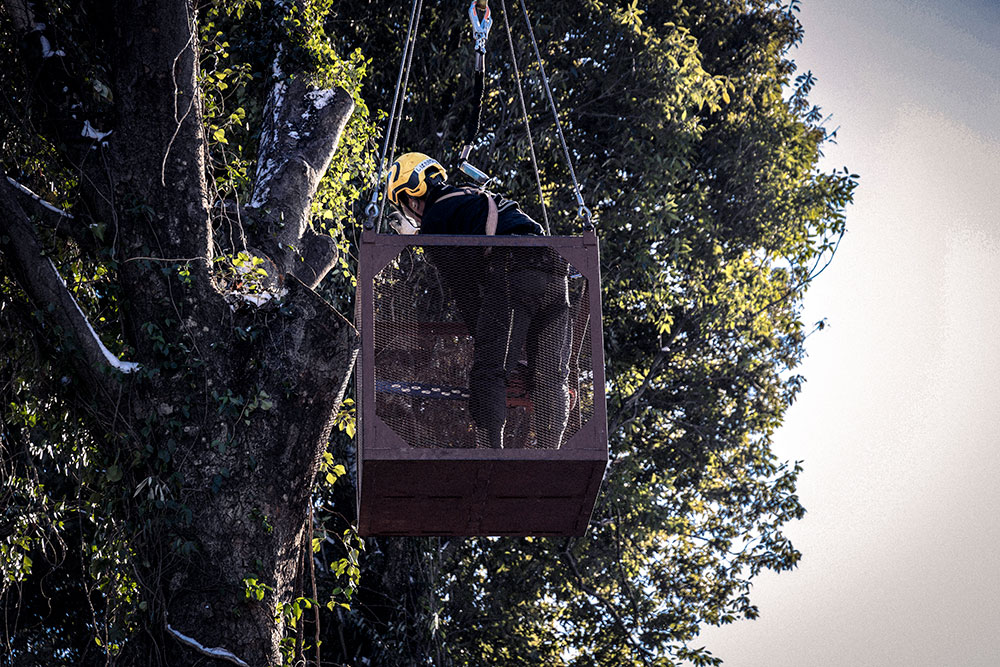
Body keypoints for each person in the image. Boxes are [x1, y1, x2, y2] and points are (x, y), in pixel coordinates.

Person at [386, 152, 571, 449]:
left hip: (514, 268)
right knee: (551, 374)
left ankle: (490, 455)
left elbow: (462, 286)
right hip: (555, 269)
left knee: (490, 371)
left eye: (407, 206)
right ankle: (551, 453)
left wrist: (482, 333)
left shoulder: (435, 218)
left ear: (412, 198)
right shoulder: (470, 196)